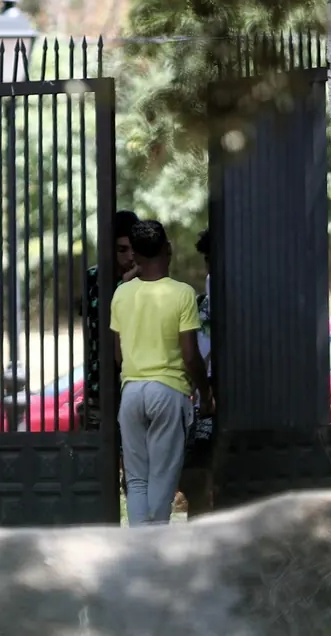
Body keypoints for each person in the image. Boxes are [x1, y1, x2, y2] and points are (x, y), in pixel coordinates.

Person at [111, 220, 212, 526]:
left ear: (135, 256)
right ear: (168, 249)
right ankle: (155, 545)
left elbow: (118, 355)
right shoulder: (182, 294)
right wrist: (204, 394)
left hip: (131, 393)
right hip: (168, 391)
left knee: (137, 480)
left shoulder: (121, 294)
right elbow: (191, 355)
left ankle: (140, 548)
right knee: (163, 478)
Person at [81, 209, 141, 431]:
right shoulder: (93, 278)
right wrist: (125, 284)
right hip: (99, 386)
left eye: (134, 249)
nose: (130, 257)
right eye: (122, 250)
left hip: (135, 386)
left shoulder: (147, 280)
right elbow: (103, 317)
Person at [180, 228, 215, 518]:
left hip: (210, 390)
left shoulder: (208, 293)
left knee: (198, 467)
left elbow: (198, 350)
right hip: (214, 389)